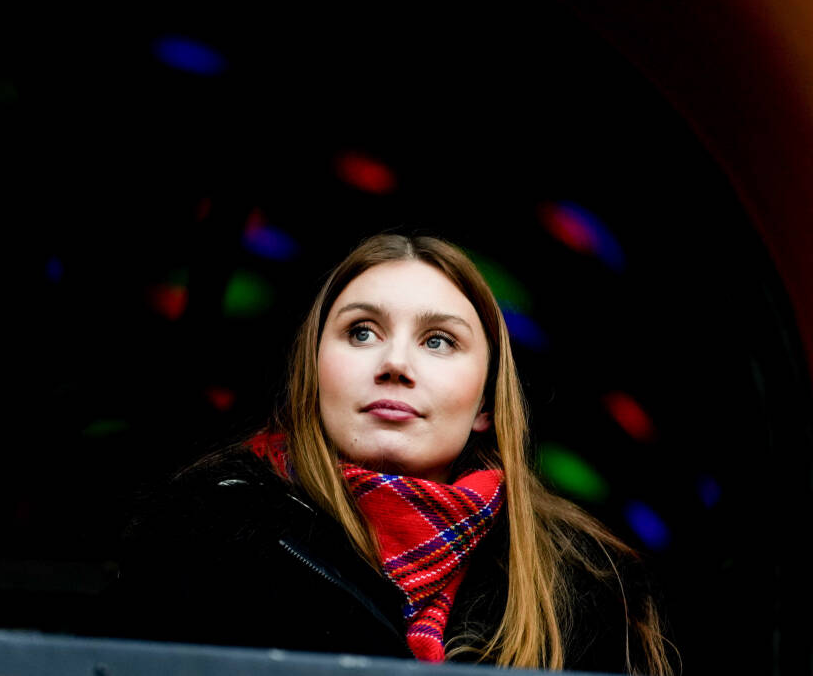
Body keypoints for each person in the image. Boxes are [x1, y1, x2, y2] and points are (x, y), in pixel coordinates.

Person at [118, 233, 674, 673]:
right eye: (361, 332)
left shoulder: (585, 584)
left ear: (485, 403)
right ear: (313, 377)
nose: (395, 364)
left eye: (438, 341)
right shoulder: (204, 537)